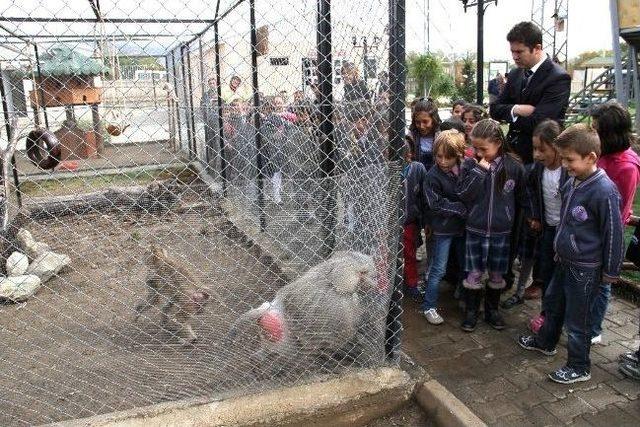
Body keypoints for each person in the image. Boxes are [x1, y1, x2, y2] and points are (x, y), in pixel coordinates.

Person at [518, 124, 624, 385]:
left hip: (586, 269)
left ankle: (579, 365)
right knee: (552, 303)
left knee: (578, 320)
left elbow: (614, 233)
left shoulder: (604, 191)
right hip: (564, 261)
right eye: (563, 158)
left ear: (591, 157)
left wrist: (610, 272)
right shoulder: (574, 181)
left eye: (570, 159)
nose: (565, 165)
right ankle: (545, 342)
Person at [456, 119, 529, 332]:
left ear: (498, 142)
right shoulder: (470, 164)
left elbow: (523, 196)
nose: (478, 152)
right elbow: (463, 194)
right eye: (475, 147)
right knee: (473, 273)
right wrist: (479, 171)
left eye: (483, 148)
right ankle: (471, 311)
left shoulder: (514, 166)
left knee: (497, 274)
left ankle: (492, 310)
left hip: (501, 232)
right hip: (475, 230)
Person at [501, 120, 567, 317]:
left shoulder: (568, 172)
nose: (536, 154)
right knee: (540, 265)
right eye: (534, 149)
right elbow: (528, 192)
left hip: (563, 230)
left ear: (556, 147)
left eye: (542, 149)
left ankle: (556, 312)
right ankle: (539, 308)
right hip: (544, 226)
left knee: (557, 272)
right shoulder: (535, 170)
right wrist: (534, 216)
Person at [589, 101, 640, 345]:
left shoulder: (626, 167)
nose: (593, 133)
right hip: (588, 225)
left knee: (602, 282)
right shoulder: (602, 154)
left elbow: (618, 210)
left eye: (597, 129)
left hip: (606, 232)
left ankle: (594, 328)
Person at [490, 21, 571, 165]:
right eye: (512, 51)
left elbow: (540, 122)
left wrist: (509, 113)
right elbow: (494, 109)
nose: (514, 57)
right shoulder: (515, 73)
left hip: (540, 159)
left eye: (519, 51)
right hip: (512, 154)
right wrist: (517, 109)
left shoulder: (558, 77)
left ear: (537, 48)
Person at [420, 130, 467, 324]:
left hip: (461, 228)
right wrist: (460, 208)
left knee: (465, 263)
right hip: (443, 229)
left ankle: (462, 293)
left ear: (458, 155)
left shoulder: (464, 169)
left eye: (448, 157)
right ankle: (429, 306)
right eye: (439, 156)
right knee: (438, 268)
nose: (443, 161)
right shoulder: (432, 176)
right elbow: (435, 204)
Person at [402, 136, 428, 300]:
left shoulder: (417, 169)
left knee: (410, 254)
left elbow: (424, 196)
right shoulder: (386, 170)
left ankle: (411, 284)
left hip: (409, 222)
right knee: (385, 256)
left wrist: (423, 220)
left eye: (408, 154)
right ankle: (384, 287)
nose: (407, 157)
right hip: (389, 223)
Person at [409, 97, 442, 171]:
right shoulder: (411, 137)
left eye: (425, 122)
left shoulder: (441, 137)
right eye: (418, 122)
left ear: (434, 120)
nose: (421, 126)